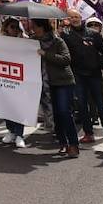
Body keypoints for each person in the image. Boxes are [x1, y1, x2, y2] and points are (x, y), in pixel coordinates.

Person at [61, 8, 103, 143]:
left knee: (100, 104)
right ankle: (88, 133)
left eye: (76, 16)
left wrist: (98, 64)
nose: (74, 19)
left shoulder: (93, 34)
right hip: (78, 75)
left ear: (81, 17)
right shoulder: (65, 35)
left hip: (94, 74)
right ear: (68, 19)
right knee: (82, 105)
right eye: (71, 17)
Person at [32, 17, 79, 157]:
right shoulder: (31, 41)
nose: (33, 28)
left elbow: (66, 59)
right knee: (56, 115)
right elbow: (13, 45)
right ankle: (63, 143)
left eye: (35, 26)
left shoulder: (58, 41)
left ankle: (73, 145)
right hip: (45, 84)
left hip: (63, 82)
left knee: (64, 113)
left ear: (42, 27)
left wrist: (46, 54)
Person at [0, 18, 28, 148]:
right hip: (5, 77)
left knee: (19, 107)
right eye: (12, 27)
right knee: (7, 106)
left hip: (20, 77)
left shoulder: (25, 40)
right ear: (6, 28)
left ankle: (19, 134)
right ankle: (11, 131)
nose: (14, 29)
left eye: (17, 27)